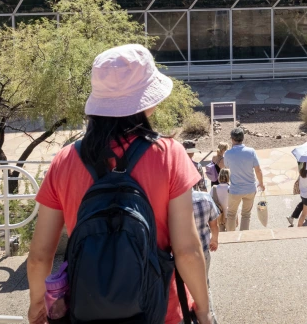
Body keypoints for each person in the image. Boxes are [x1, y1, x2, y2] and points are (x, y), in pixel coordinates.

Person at [27, 44, 211, 324]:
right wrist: (203, 309)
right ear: (146, 100)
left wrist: (38, 304)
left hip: (87, 308)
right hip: (160, 310)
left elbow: (40, 256)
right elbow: (186, 251)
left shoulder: (64, 160)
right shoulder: (169, 154)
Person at [223, 126, 265, 231]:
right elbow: (258, 170)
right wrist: (261, 183)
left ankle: (231, 236)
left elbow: (226, 166)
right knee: (246, 214)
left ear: (232, 139)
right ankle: (243, 236)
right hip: (250, 188)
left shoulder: (228, 153)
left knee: (231, 214)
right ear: (243, 138)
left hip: (235, 189)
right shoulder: (251, 152)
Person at [191, 177, 221, 276]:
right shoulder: (205, 198)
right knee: (204, 281)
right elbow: (214, 225)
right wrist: (214, 239)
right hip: (202, 250)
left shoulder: (171, 202)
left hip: (179, 254)